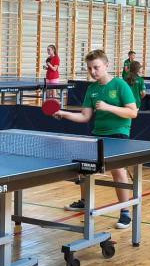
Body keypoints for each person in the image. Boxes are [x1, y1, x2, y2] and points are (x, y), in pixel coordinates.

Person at [55, 50, 138, 229]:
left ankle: (125, 212)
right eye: (90, 68)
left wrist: (109, 107)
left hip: (119, 134)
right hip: (98, 133)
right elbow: (85, 116)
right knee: (83, 165)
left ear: (106, 66)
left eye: (96, 67)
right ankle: (85, 201)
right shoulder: (92, 89)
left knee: (118, 170)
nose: (93, 72)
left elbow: (133, 112)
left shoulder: (120, 85)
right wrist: (63, 113)